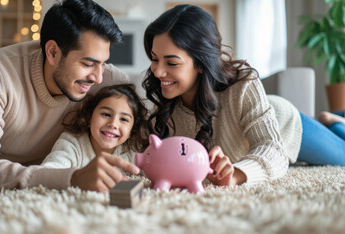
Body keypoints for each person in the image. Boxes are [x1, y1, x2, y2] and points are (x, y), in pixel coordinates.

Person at [0, 0, 141, 192]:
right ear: (52, 52)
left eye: (103, 64)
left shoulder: (107, 81)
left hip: (1, 162)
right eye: (87, 64)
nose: (98, 78)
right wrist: (71, 178)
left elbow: (149, 111)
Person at [142, 4, 345, 187]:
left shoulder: (242, 84)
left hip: (284, 123)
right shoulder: (165, 104)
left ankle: (335, 122)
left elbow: (272, 149)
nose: (158, 72)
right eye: (154, 58)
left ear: (201, 63)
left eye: (172, 63)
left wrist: (238, 174)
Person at [42, 84, 148, 170]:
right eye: (106, 114)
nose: (113, 124)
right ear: (89, 117)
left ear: (132, 130)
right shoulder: (71, 143)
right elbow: (49, 172)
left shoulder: (133, 151)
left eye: (124, 119)